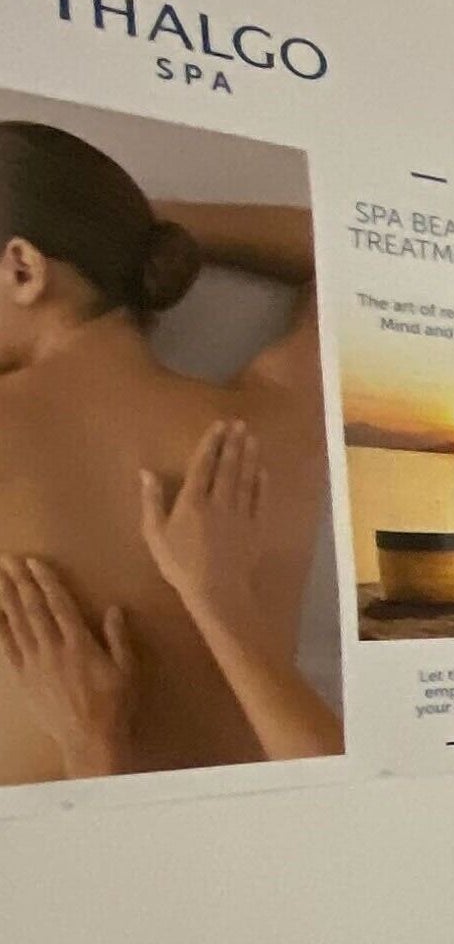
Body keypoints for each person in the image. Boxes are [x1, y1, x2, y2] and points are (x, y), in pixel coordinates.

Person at [0, 120, 340, 783]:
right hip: (248, 840)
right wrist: (143, 228)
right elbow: (354, 254)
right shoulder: (267, 420)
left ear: (23, 267)